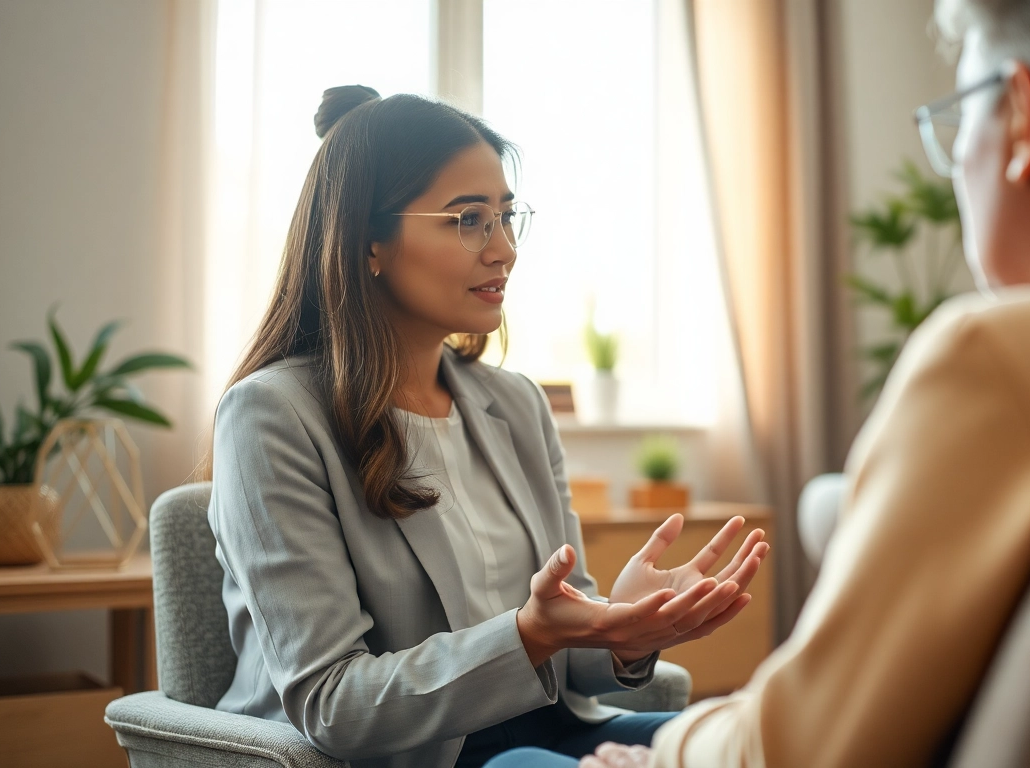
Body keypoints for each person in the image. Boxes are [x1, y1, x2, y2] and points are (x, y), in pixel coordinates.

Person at [582, 0, 1030, 766]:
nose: (959, 156)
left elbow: (804, 751)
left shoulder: (998, 364)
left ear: (1026, 121)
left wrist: (667, 749)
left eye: (962, 117)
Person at [207, 85, 770, 768]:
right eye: (469, 219)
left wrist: (622, 628)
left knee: (761, 739)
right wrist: (529, 635)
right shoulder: (272, 417)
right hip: (412, 759)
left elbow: (573, 664)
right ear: (369, 242)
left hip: (552, 736)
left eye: (506, 217)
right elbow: (334, 703)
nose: (503, 249)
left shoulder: (516, 405)